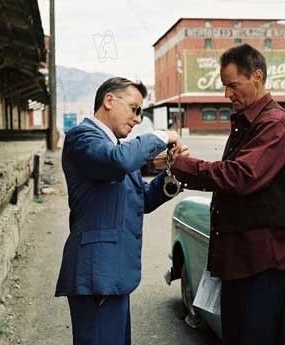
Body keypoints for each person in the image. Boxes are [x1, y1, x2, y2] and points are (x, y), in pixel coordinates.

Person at [170, 44, 285, 345]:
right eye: (225, 86)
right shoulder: (246, 122)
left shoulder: (275, 123)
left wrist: (179, 164)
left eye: (233, 85)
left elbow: (240, 176)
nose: (227, 94)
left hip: (261, 263)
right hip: (238, 259)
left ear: (257, 76)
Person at [55, 77, 188, 345]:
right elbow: (119, 162)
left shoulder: (115, 149)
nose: (138, 119)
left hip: (112, 274)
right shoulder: (82, 138)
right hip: (97, 276)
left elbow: (141, 200)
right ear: (109, 100)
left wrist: (174, 171)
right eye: (135, 109)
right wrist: (164, 136)